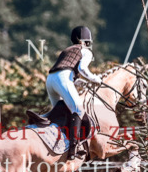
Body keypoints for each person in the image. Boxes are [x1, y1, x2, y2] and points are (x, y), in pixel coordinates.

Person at [38, 26, 103, 159]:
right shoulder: (86, 51)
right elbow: (82, 69)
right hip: (62, 79)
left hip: (50, 80)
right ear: (87, 41)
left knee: (60, 111)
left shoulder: (66, 50)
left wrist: (76, 82)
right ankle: (74, 149)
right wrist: (96, 79)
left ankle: (47, 126)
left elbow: (66, 69)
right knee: (78, 110)